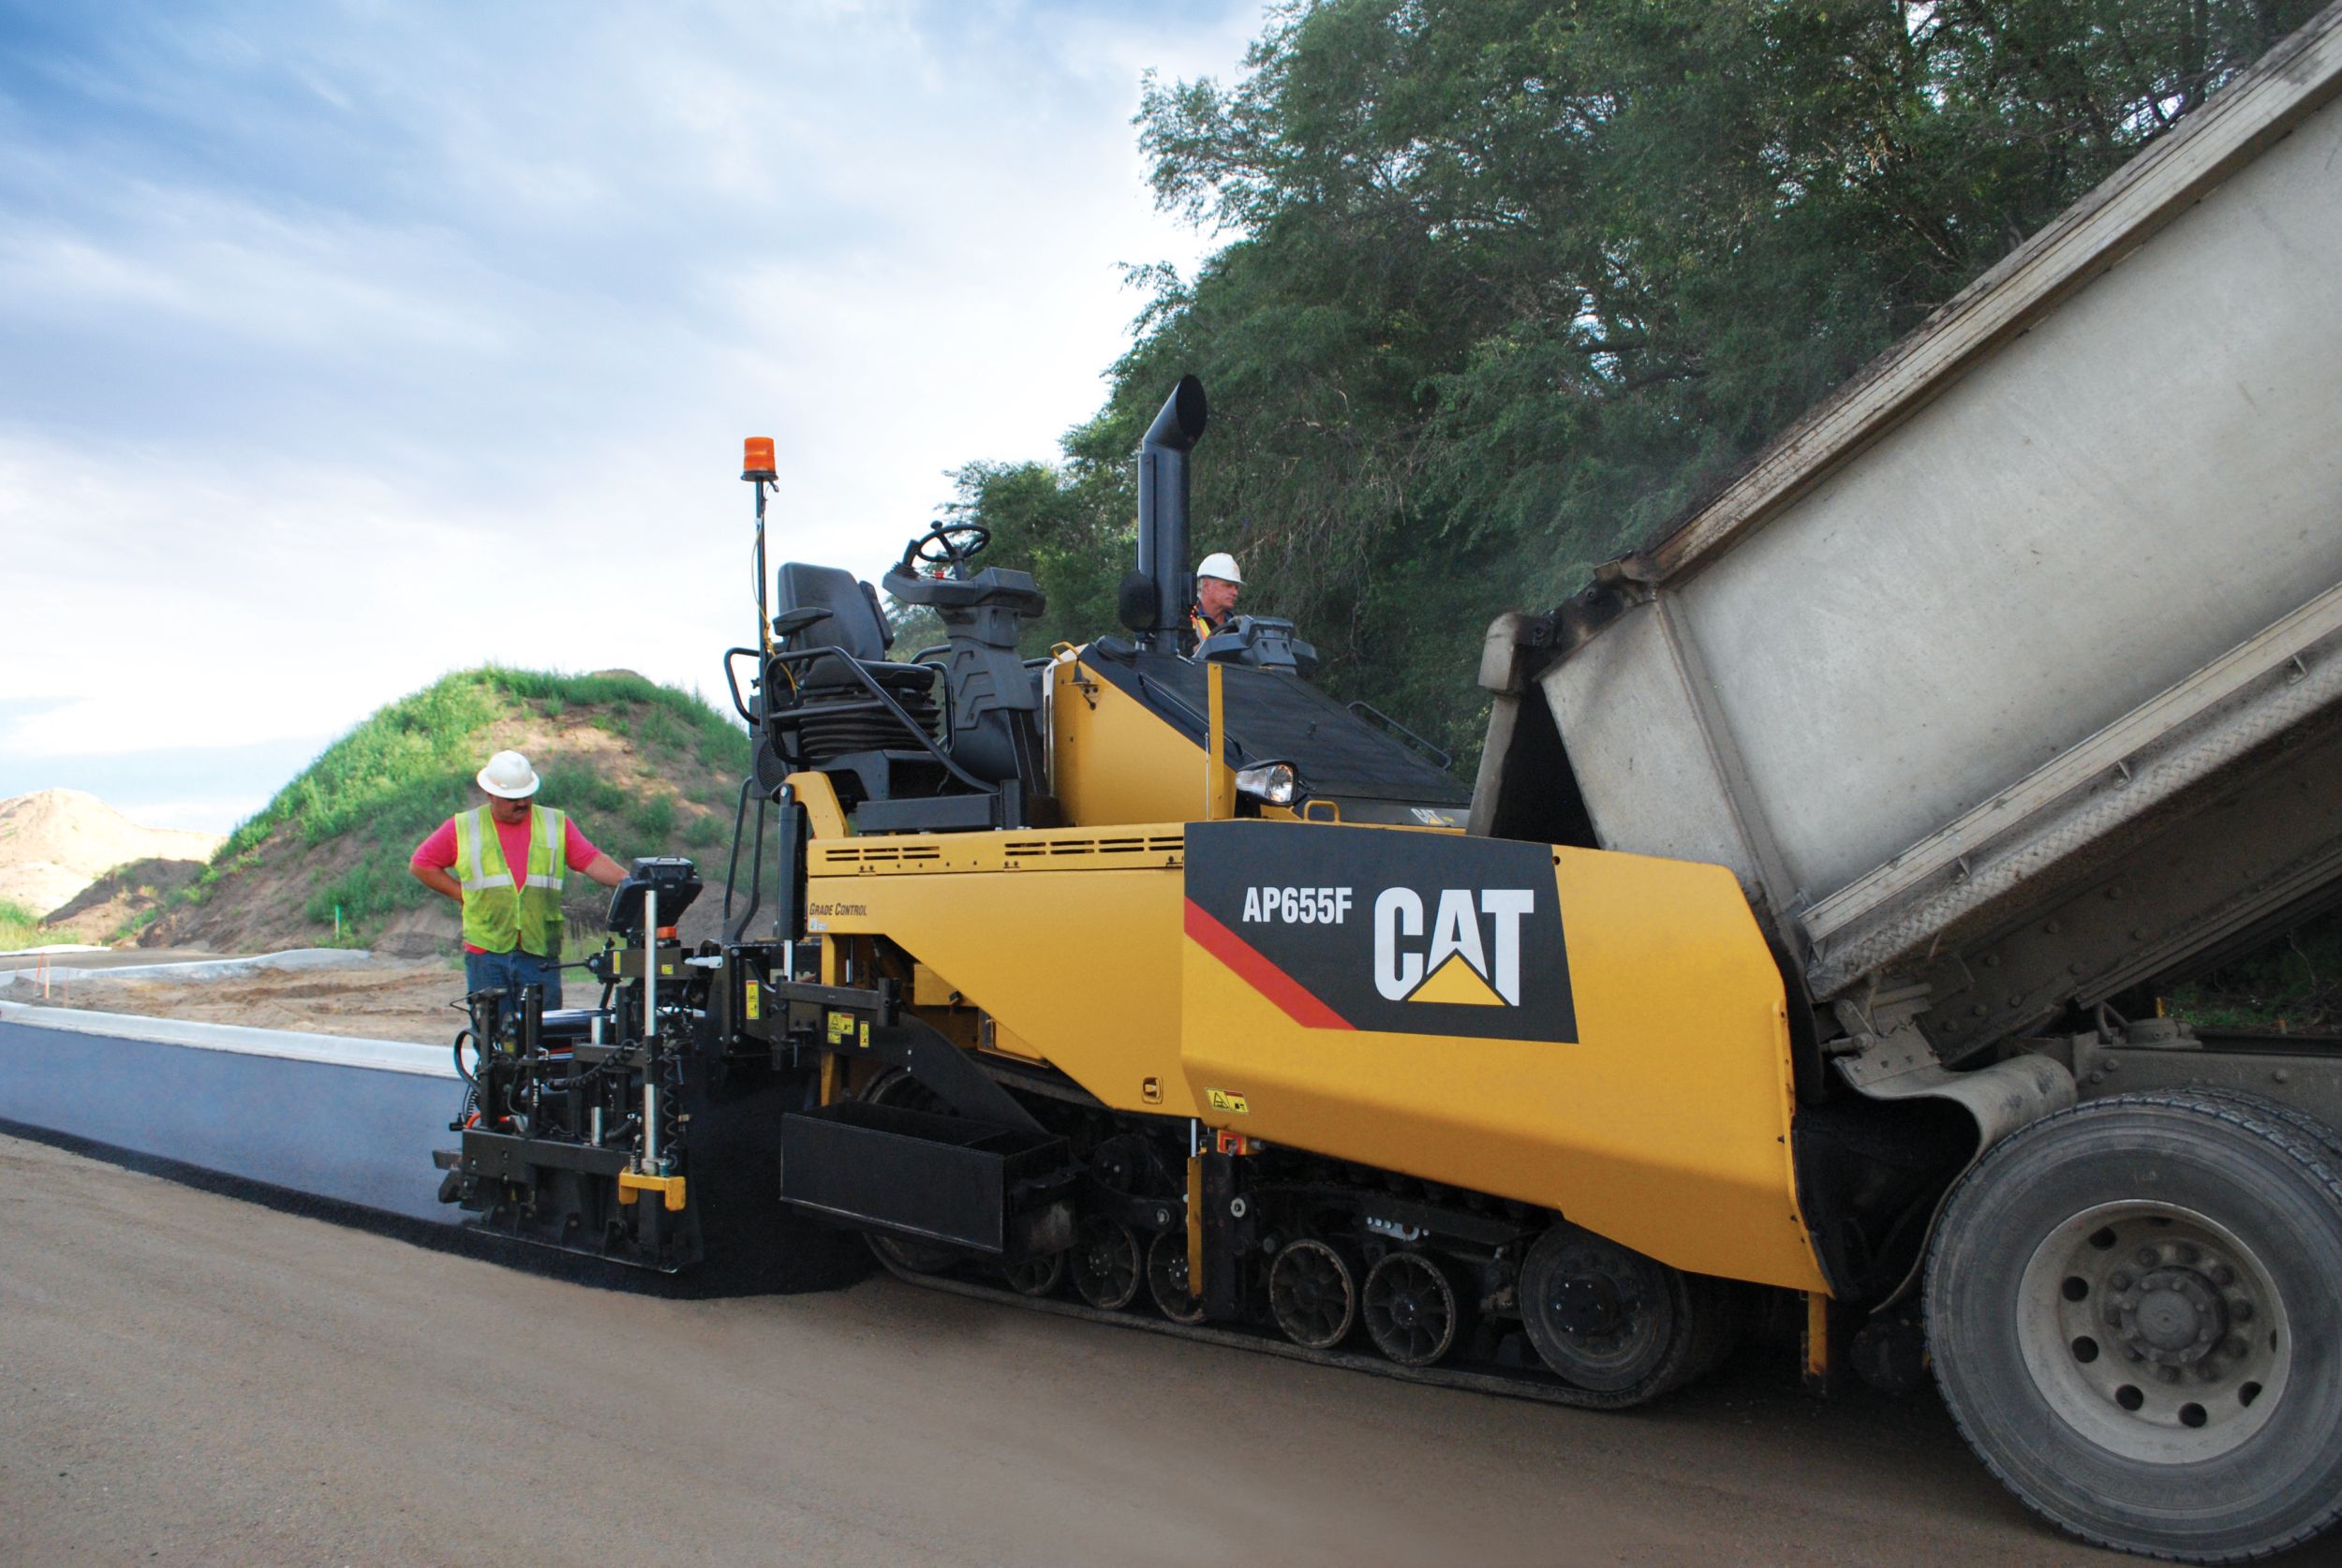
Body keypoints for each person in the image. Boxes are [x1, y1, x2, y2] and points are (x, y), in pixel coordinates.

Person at [408, 749, 628, 1008]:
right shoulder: (465, 827)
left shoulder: (554, 823)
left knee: (545, 1029)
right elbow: (422, 865)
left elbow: (590, 859)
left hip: (539, 951)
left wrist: (630, 881)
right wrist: (464, 895)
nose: (522, 803)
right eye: (512, 798)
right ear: (490, 794)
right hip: (487, 951)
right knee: (493, 1029)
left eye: (526, 795)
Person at [1185, 551, 1243, 654]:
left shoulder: (1238, 626)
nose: (1235, 592)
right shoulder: (1186, 620)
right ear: (1206, 586)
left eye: (1236, 587)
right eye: (1228, 585)